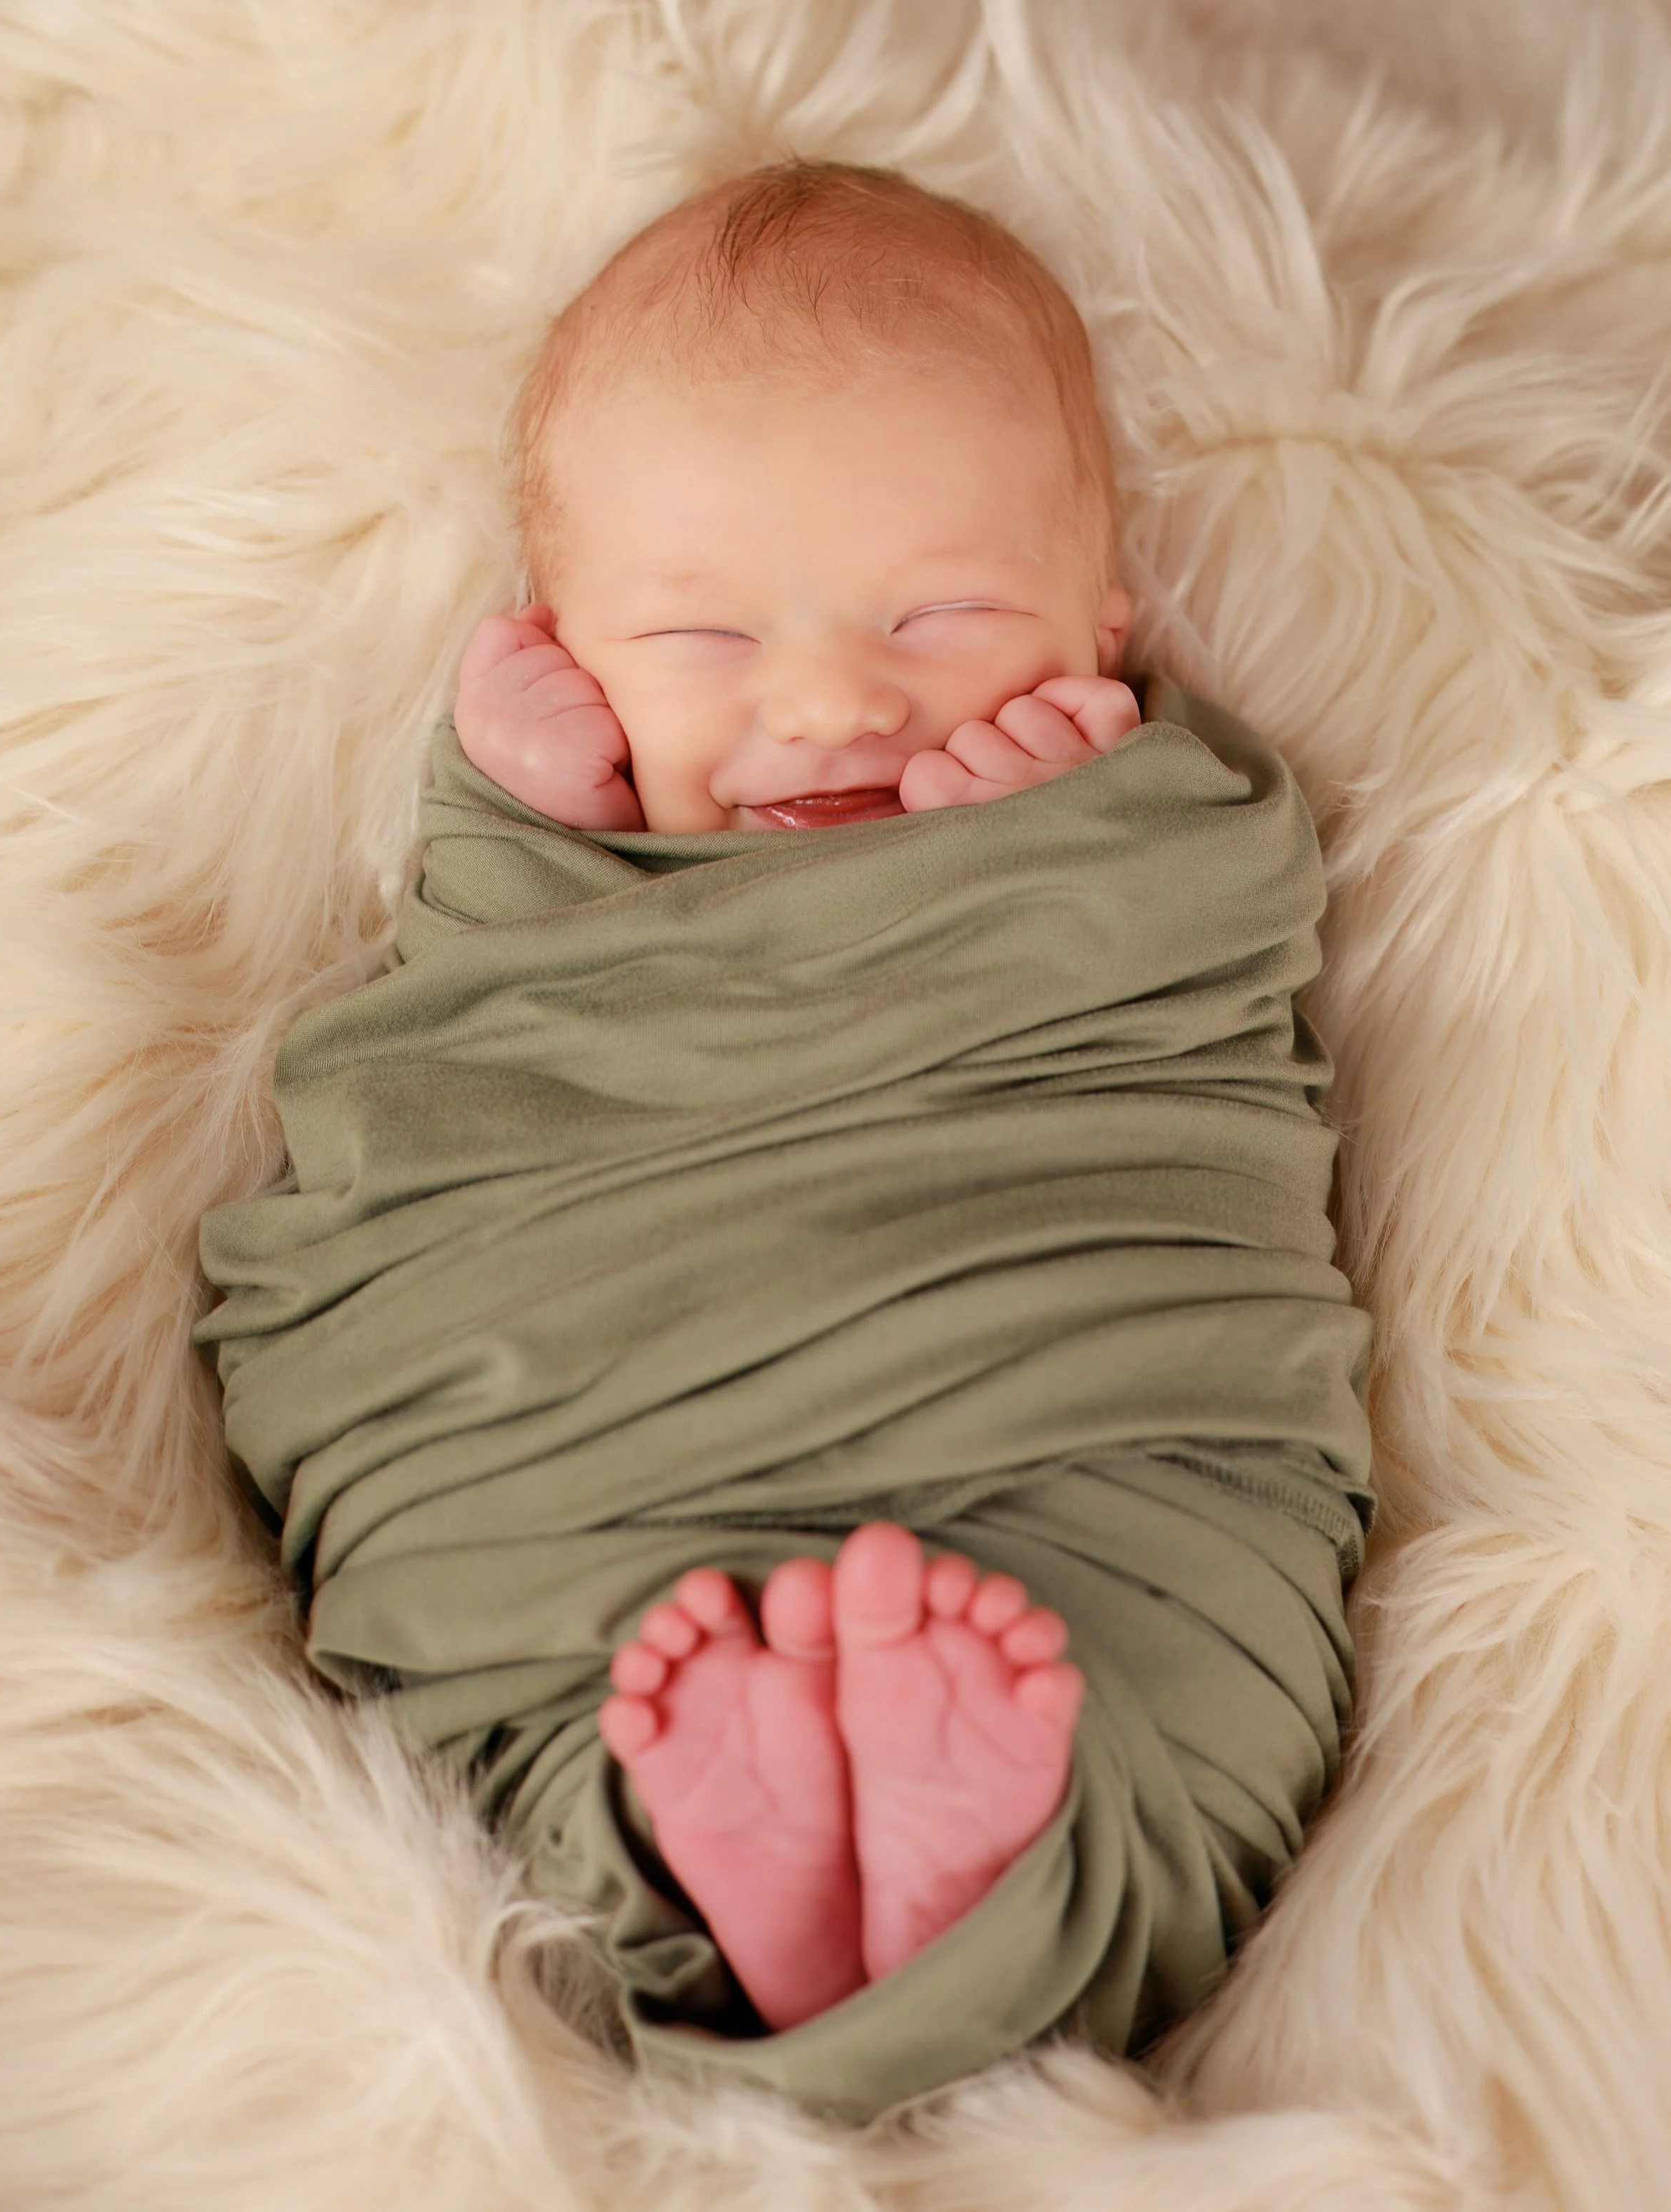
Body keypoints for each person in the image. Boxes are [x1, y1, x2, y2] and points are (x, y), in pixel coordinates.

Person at [198, 159, 1371, 2119]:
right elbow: (465, 1057)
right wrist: (517, 826)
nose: (831, 700)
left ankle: (890, 1856)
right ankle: (798, 1853)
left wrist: (1082, 855)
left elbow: (1201, 977)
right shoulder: (557, 854)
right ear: (564, 642)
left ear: (1104, 614)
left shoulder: (1144, 836)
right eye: (702, 642)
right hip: (595, 1426)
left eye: (941, 611)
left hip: (1068, 1421)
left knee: (1143, 1647)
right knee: (547, 1618)